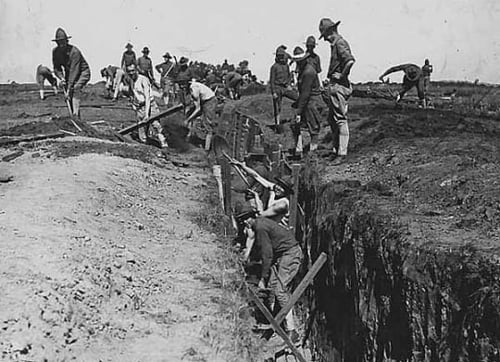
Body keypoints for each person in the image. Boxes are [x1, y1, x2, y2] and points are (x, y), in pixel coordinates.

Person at [238, 210, 303, 344]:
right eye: (242, 220)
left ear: (252, 217)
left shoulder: (260, 227)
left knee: (280, 290)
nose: (245, 222)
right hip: (282, 255)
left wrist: (262, 277)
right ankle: (276, 325)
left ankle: (292, 331)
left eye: (246, 219)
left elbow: (267, 255)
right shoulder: (260, 224)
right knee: (272, 288)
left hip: (290, 254)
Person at [319, 18, 355, 165]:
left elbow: (350, 60)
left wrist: (342, 75)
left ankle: (342, 153)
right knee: (332, 120)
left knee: (340, 119)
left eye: (326, 35)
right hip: (334, 85)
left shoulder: (340, 43)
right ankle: (336, 151)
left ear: (330, 32)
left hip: (339, 86)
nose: (326, 39)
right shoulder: (335, 44)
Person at [52, 27, 91, 119]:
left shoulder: (74, 52)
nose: (61, 45)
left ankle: (75, 115)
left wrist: (69, 88)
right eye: (59, 42)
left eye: (63, 42)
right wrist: (61, 78)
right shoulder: (55, 52)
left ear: (67, 41)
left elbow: (75, 70)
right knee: (68, 95)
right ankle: (75, 117)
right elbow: (56, 68)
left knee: (75, 88)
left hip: (82, 72)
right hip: (69, 73)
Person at [125, 64, 167, 148]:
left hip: (150, 105)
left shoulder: (143, 79)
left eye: (133, 71)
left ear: (136, 70)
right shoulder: (130, 80)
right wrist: (133, 104)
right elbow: (131, 93)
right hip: (140, 107)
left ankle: (164, 145)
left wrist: (147, 114)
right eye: (129, 72)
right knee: (141, 129)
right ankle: (145, 147)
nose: (131, 73)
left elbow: (147, 97)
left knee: (156, 125)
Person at [290, 46, 322, 154]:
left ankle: (313, 151)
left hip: (312, 101)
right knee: (297, 124)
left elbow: (306, 93)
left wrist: (299, 110)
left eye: (300, 61)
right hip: (306, 100)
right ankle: (299, 149)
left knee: (313, 127)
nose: (298, 63)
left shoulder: (308, 72)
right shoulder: (303, 70)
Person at [183, 79, 218, 151]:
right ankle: (188, 138)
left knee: (207, 124)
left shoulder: (194, 89)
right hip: (204, 101)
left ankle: (207, 148)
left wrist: (188, 119)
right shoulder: (193, 87)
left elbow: (198, 108)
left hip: (210, 101)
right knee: (191, 115)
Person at [269, 46, 297, 127]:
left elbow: (288, 76)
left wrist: (289, 85)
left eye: (282, 55)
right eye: (279, 56)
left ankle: (297, 118)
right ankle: (277, 124)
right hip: (277, 88)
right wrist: (273, 92)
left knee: (298, 98)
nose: (281, 57)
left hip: (285, 87)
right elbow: (272, 81)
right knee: (277, 106)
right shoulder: (274, 67)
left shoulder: (286, 66)